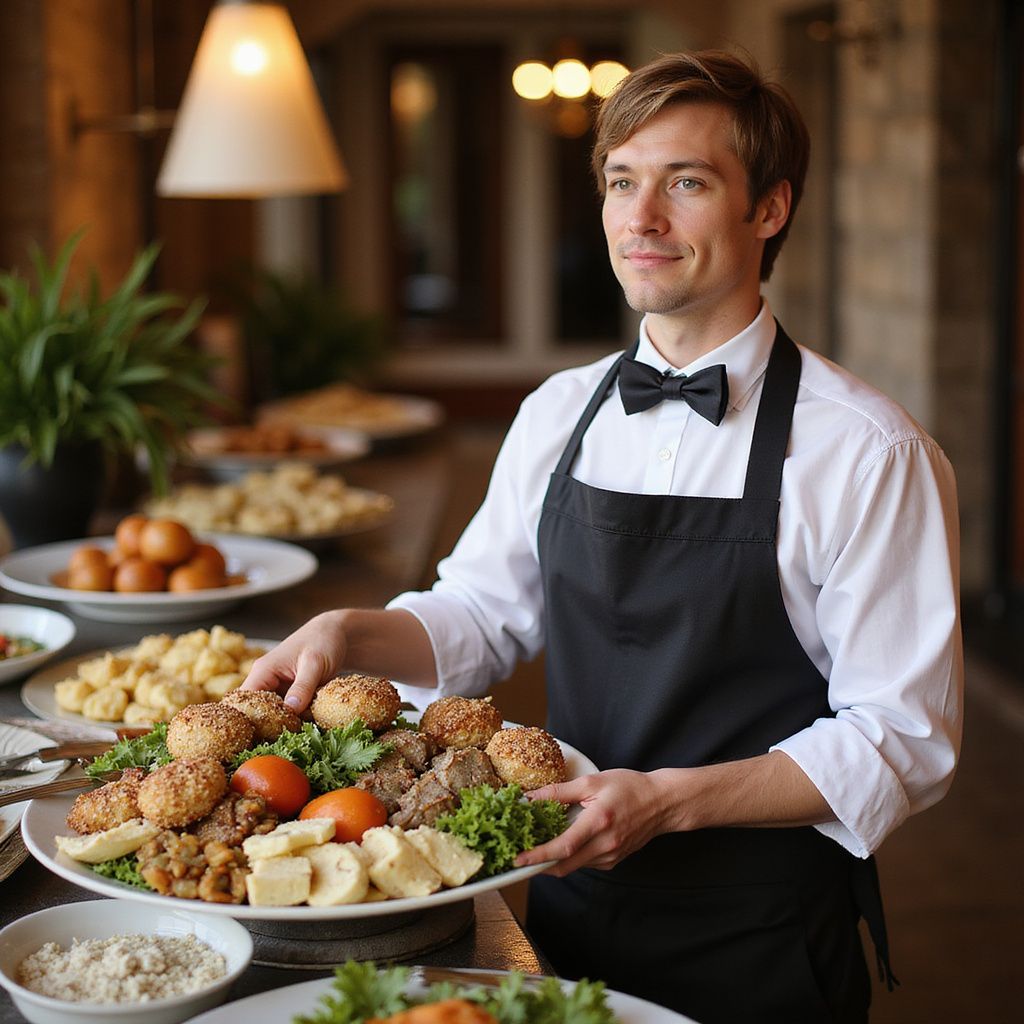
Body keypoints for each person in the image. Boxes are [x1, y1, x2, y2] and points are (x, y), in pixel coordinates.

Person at [242, 49, 963, 1024]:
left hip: (761, 936)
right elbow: (485, 613)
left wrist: (668, 801)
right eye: (621, 182)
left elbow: (901, 737)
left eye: (687, 183)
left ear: (770, 209)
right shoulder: (555, 412)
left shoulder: (868, 452)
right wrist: (348, 631)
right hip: (566, 911)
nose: (641, 218)